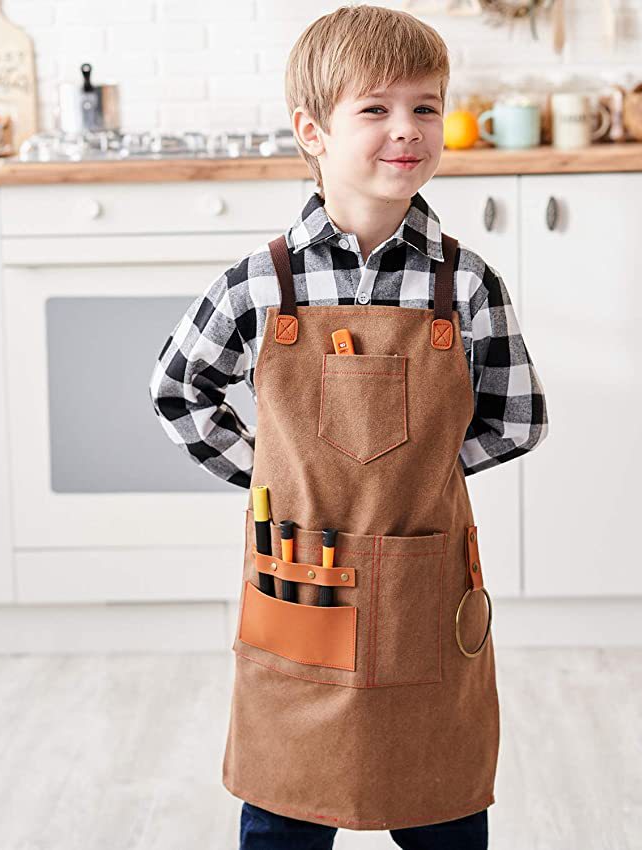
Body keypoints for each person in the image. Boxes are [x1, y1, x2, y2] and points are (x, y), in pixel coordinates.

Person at [148, 4, 549, 848]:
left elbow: (519, 418)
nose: (406, 128)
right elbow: (179, 390)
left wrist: (423, 472)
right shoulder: (258, 285)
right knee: (285, 812)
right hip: (302, 581)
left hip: (428, 592)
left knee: (441, 810)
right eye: (375, 108)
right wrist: (274, 471)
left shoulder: (467, 286)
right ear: (313, 130)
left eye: (426, 107)